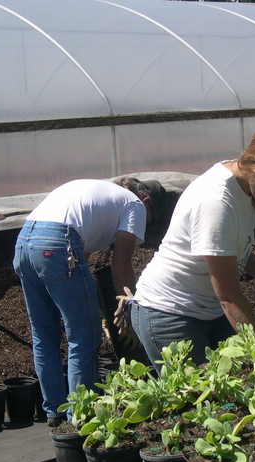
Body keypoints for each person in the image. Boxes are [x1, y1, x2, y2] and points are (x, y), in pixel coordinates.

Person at [128, 126, 255, 369]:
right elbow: (228, 295)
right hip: (170, 313)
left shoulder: (243, 182)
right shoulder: (216, 202)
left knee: (230, 390)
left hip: (208, 310)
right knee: (200, 399)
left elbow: (226, 244)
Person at [12, 177, 165, 426]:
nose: (145, 227)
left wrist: (98, 309)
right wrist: (131, 314)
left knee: (43, 335)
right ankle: (80, 417)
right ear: (146, 202)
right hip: (57, 244)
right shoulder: (134, 204)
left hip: (24, 244)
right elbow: (121, 266)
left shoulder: (98, 197)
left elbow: (80, 257)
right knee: (83, 336)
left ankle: (54, 412)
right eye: (151, 218)